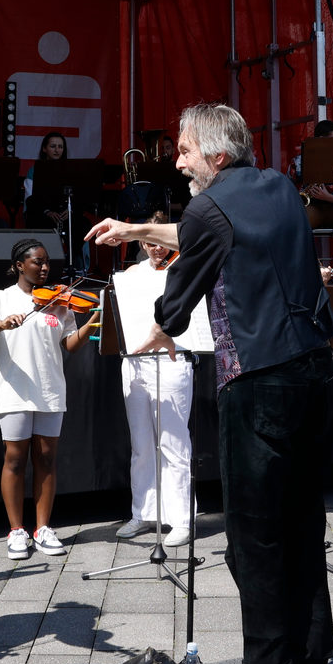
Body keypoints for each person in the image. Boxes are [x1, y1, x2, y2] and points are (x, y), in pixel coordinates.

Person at [89, 102, 333, 664]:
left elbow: (176, 303)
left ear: (217, 157)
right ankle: (310, 662)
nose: (176, 162)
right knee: (303, 523)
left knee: (254, 535)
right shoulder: (277, 186)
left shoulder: (207, 209)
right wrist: (138, 230)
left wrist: (158, 324)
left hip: (257, 382)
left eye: (184, 150)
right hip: (313, 371)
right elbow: (218, 231)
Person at [0, 238, 88, 557]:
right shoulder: (0, 297)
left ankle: (43, 529)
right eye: (38, 262)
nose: (44, 267)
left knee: (47, 459)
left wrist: (93, 321)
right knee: (15, 458)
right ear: (19, 265)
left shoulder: (59, 302)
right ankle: (16, 531)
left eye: (47, 262)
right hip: (14, 391)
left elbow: (70, 345)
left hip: (50, 390)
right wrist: (2, 323)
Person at [114, 219, 195, 546]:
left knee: (173, 442)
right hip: (136, 360)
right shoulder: (133, 274)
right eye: (150, 243)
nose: (157, 248)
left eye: (160, 241)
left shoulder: (185, 269)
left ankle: (181, 519)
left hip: (173, 359)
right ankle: (143, 512)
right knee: (142, 444)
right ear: (142, 243)